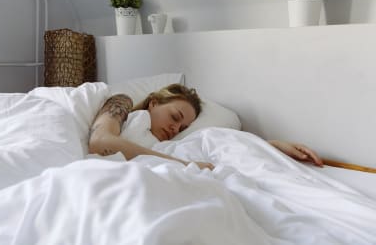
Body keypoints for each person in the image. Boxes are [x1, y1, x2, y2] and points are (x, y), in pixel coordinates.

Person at [88, 84, 323, 170]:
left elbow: (214, 151)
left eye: (182, 127)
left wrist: (272, 146)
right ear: (154, 102)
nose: (175, 128)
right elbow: (100, 142)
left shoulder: (168, 145)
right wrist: (186, 166)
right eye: (175, 116)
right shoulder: (122, 105)